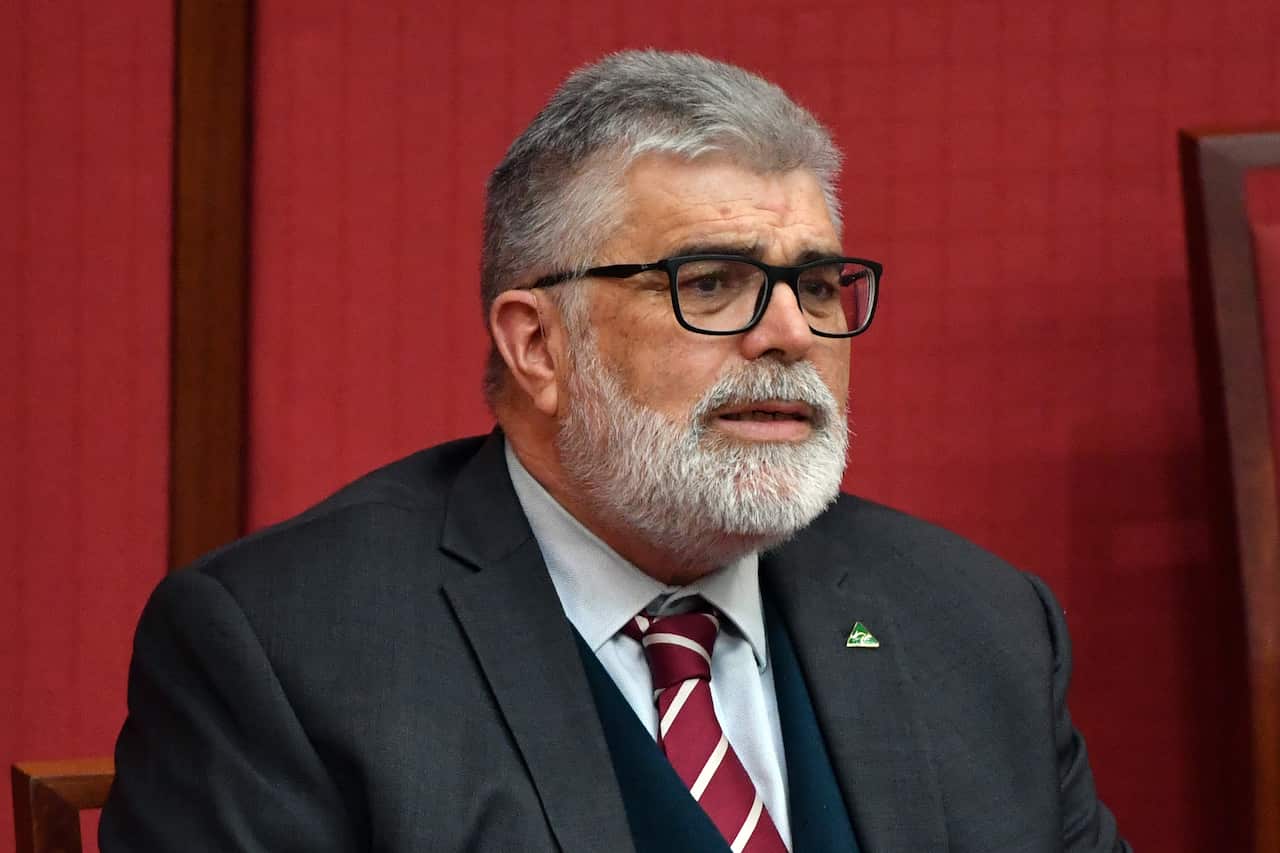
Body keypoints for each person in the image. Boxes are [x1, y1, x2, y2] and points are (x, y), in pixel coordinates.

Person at [101, 51, 1129, 852]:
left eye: (816, 286)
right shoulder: (290, 650)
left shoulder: (975, 623)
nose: (790, 336)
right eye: (713, 282)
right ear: (537, 344)